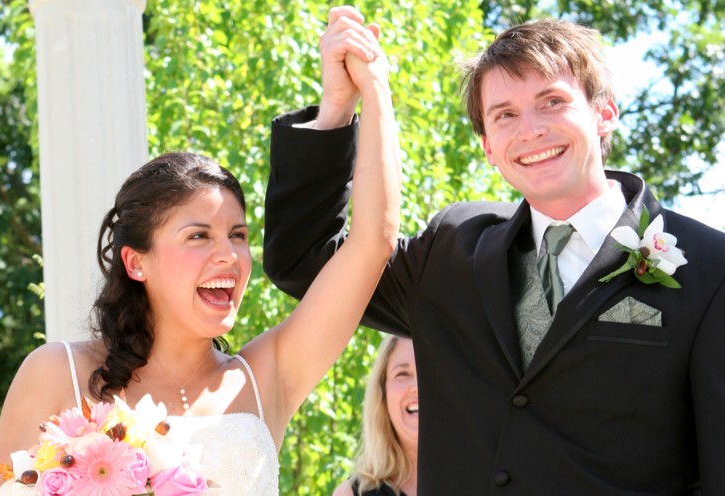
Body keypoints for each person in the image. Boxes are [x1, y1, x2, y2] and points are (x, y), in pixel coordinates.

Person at [263, 6, 725, 494]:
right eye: (505, 115)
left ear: (604, 113)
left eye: (551, 102)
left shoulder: (710, 271)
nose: (530, 130)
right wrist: (337, 107)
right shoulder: (450, 250)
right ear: (487, 146)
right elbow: (306, 261)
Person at [0, 33, 400, 496]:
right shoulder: (55, 372)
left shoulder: (268, 376)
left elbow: (373, 242)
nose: (230, 255)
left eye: (238, 236)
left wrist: (367, 91)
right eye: (199, 236)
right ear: (135, 262)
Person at [333, 336, 418, 496]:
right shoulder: (350, 493)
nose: (417, 387)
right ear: (382, 393)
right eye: (402, 374)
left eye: (429, 374)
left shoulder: (471, 476)